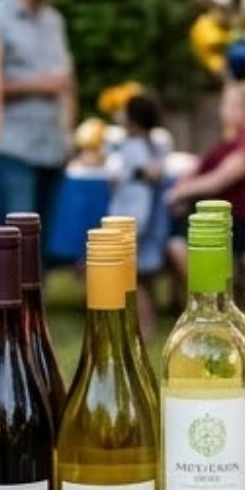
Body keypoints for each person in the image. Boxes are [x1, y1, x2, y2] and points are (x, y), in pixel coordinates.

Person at [0, 0, 74, 230]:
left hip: (52, 150)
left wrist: (69, 133)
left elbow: (66, 82)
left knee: (40, 248)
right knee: (15, 244)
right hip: (12, 151)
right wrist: (38, 86)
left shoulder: (54, 21)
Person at [165, 82, 245, 288]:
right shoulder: (240, 138)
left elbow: (224, 176)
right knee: (176, 227)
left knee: (180, 238)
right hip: (236, 221)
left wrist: (179, 192)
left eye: (228, 104)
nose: (221, 110)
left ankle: (211, 300)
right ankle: (187, 300)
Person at [106, 88, 173, 332]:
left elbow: (117, 175)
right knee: (142, 272)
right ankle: (145, 321)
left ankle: (144, 325)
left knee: (130, 274)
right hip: (145, 214)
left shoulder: (131, 146)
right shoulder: (155, 145)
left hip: (130, 214)